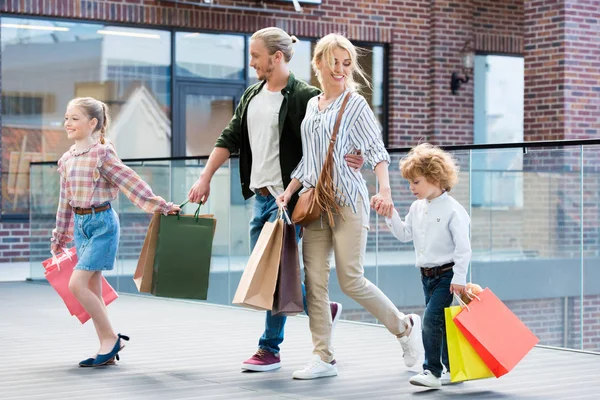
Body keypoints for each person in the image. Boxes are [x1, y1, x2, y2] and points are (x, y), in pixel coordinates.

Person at [187, 27, 363, 372]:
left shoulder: (305, 97)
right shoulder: (252, 95)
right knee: (268, 274)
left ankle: (270, 348)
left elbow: (335, 132)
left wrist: (355, 154)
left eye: (256, 56)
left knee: (273, 274)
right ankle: (320, 309)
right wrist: (205, 177)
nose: (251, 62)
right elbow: (230, 136)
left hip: (290, 201)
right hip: (260, 198)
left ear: (276, 57)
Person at [276, 33, 424, 380]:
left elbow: (376, 152)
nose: (341, 69)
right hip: (315, 205)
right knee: (314, 282)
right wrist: (290, 190)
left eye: (347, 63)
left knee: (351, 279)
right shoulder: (313, 105)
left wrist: (384, 191)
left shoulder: (354, 103)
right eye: (335, 62)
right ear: (320, 64)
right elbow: (309, 161)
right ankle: (323, 358)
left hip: (349, 202)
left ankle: (404, 328)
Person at [51, 97, 180, 367]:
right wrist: (60, 236)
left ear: (93, 123)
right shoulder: (66, 160)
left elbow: (130, 182)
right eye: (66, 118)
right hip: (80, 226)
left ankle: (112, 339)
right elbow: (65, 201)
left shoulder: (102, 154)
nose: (68, 123)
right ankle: (106, 346)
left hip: (103, 225)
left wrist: (162, 206)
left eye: (74, 118)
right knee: (92, 289)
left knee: (77, 284)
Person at [378, 143, 471, 388]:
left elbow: (463, 248)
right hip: (426, 275)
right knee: (438, 322)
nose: (411, 188)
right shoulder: (416, 208)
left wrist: (459, 277)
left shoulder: (453, 210)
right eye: (410, 183)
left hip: (447, 276)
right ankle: (452, 369)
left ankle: (432, 372)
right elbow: (404, 234)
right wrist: (389, 214)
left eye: (416, 182)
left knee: (431, 321)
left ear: (434, 177)